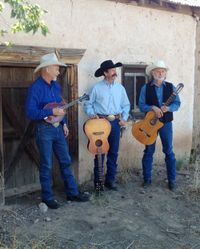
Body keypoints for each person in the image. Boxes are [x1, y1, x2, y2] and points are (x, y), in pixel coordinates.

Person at [26, 53, 89, 209]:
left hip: (58, 129)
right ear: (47, 68)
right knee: (46, 164)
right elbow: (30, 112)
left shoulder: (56, 86)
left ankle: (72, 193)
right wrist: (49, 113)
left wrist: (64, 123)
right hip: (44, 130)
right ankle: (47, 197)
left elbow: (59, 107)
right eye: (56, 68)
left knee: (65, 161)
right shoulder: (36, 88)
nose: (59, 71)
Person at [84, 60, 130, 191]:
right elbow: (88, 103)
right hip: (100, 123)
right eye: (112, 70)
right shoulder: (96, 88)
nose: (115, 72)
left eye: (115, 70)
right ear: (105, 73)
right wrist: (92, 114)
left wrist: (124, 118)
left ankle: (110, 181)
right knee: (100, 152)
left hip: (115, 122)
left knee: (113, 152)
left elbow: (126, 105)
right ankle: (98, 184)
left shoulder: (120, 88)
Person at [138, 60, 181, 191]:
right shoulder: (145, 88)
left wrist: (168, 108)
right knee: (148, 151)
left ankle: (172, 180)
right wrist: (153, 108)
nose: (160, 73)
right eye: (158, 71)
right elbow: (141, 105)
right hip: (150, 124)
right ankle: (147, 179)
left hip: (166, 123)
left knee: (168, 151)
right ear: (153, 73)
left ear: (165, 73)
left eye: (163, 71)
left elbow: (177, 104)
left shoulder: (171, 87)